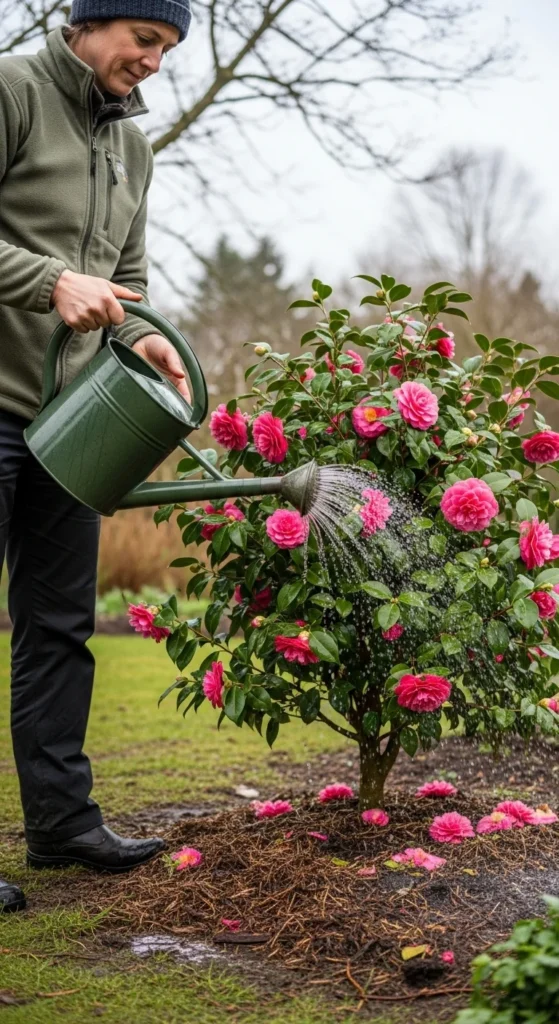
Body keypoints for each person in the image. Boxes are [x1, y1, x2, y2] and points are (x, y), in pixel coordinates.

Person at [0, 0, 192, 914]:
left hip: (71, 422)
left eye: (167, 49)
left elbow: (130, 282)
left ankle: (62, 824)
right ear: (86, 24)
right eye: (144, 39)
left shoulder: (135, 148)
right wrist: (46, 280)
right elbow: (63, 278)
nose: (152, 61)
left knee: (60, 626)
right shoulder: (11, 89)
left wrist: (146, 340)